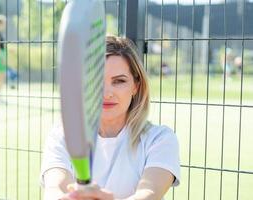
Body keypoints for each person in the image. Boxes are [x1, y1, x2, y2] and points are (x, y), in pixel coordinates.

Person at [40, 36, 180, 200]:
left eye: (119, 81)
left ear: (136, 86)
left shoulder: (159, 139)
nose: (106, 93)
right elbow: (55, 189)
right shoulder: (62, 136)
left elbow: (149, 193)